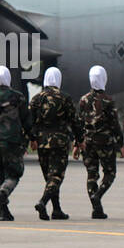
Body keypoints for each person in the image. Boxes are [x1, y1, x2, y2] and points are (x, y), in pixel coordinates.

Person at [0, 66, 33, 221]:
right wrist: (32, 137)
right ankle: (3, 193)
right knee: (14, 173)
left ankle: (3, 212)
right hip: (11, 140)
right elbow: (26, 119)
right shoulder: (18, 97)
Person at [29, 66, 79, 221]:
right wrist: (80, 140)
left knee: (49, 178)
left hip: (42, 143)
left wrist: (31, 139)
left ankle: (56, 210)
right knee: (56, 177)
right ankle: (43, 202)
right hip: (59, 143)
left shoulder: (37, 98)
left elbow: (29, 121)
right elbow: (74, 122)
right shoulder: (65, 98)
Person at [77, 64, 124, 220]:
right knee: (110, 173)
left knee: (92, 174)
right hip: (105, 143)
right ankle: (98, 196)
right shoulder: (108, 101)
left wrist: (77, 143)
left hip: (87, 143)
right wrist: (121, 143)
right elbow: (115, 124)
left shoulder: (83, 99)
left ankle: (96, 207)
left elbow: (79, 123)